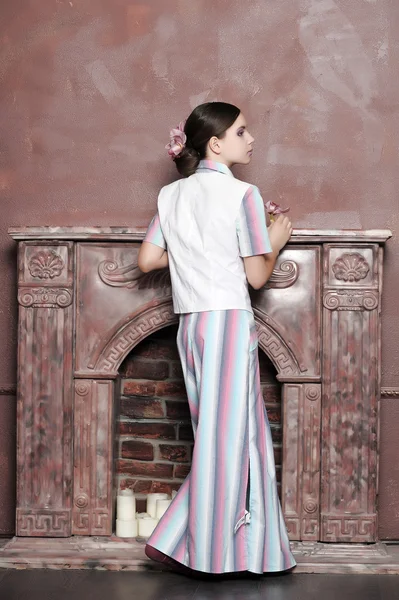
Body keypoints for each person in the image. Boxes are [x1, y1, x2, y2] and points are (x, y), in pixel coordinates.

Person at [137, 102, 296, 577]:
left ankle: (227, 547)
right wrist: (276, 241)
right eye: (242, 131)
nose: (250, 139)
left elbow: (147, 260)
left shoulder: (171, 196)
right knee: (229, 441)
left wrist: (194, 253)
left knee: (222, 437)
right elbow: (255, 277)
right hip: (226, 320)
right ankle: (197, 550)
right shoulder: (243, 194)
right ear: (216, 143)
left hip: (191, 326)